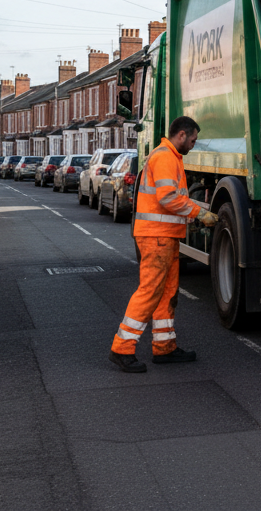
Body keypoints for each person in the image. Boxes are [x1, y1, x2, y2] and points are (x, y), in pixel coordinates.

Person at [109, 116, 218, 373]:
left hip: (164, 236)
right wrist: (198, 213)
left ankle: (164, 346)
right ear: (181, 135)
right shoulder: (166, 157)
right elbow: (168, 198)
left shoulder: (169, 157)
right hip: (156, 237)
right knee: (149, 291)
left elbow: (167, 201)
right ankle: (122, 348)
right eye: (192, 140)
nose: (193, 145)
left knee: (167, 293)